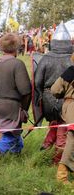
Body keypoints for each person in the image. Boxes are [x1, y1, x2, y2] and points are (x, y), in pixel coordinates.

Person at [0, 33, 31, 163]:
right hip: (11, 106)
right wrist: (24, 109)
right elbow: (26, 90)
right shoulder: (17, 64)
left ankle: (16, 157)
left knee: (14, 133)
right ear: (16, 48)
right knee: (9, 136)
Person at [35, 22, 72, 164]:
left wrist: (41, 98)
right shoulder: (71, 59)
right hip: (66, 100)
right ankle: (58, 161)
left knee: (54, 123)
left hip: (48, 99)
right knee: (62, 127)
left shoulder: (45, 59)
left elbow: (38, 82)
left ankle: (46, 145)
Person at [51, 55, 74, 184]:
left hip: (71, 106)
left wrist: (63, 93)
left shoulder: (71, 71)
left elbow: (55, 90)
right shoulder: (71, 71)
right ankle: (62, 175)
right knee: (73, 139)